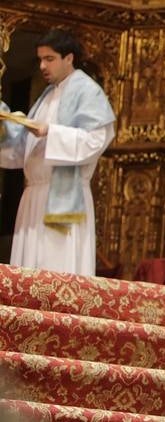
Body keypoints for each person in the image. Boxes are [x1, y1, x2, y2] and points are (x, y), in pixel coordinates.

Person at [0, 29, 115, 276]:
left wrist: (53, 132)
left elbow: (97, 139)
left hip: (63, 194)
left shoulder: (86, 90)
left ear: (69, 58)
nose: (42, 66)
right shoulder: (47, 95)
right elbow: (25, 149)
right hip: (34, 195)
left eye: (49, 59)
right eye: (40, 59)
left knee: (57, 269)